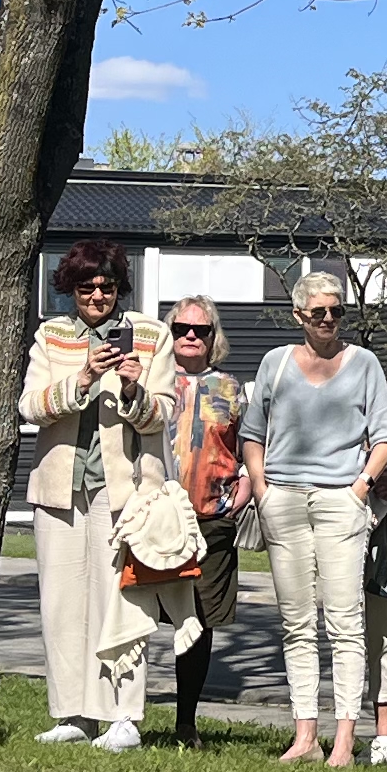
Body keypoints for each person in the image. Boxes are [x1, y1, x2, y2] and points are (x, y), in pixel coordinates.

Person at [245, 271, 387, 768]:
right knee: (296, 623)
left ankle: (343, 740)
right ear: (299, 316)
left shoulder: (364, 364)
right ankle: (304, 735)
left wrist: (360, 488)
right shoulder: (275, 364)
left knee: (344, 622)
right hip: (284, 500)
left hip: (341, 501)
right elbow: (252, 433)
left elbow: (384, 435)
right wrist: (263, 489)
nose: (330, 320)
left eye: (337, 311)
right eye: (319, 313)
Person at [19, 243, 176, 748]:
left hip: (124, 488)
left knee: (121, 601)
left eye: (107, 286)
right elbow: (31, 407)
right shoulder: (51, 335)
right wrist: (84, 376)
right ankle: (73, 713)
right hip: (58, 486)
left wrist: (132, 391)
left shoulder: (151, 336)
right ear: (70, 288)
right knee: (61, 603)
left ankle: (123, 716)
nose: (98, 295)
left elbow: (164, 415)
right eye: (86, 286)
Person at [154, 294, 250, 745]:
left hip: (212, 516)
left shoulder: (232, 388)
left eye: (201, 330)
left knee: (199, 620)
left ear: (214, 337)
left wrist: (248, 480)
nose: (190, 336)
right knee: (138, 615)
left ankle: (185, 721)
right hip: (154, 517)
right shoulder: (153, 382)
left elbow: (251, 441)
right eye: (181, 329)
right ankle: (121, 717)